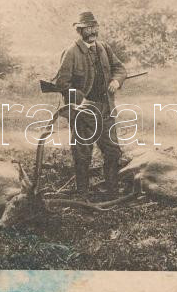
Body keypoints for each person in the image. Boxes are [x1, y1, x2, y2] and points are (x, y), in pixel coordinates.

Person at [54, 11, 127, 197]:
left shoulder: (104, 48)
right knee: (82, 153)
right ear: (79, 30)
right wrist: (81, 100)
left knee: (112, 150)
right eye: (88, 28)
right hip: (83, 112)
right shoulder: (71, 53)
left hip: (106, 108)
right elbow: (62, 84)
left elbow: (120, 68)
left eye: (95, 27)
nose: (93, 31)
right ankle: (82, 193)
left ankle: (112, 190)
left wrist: (116, 81)